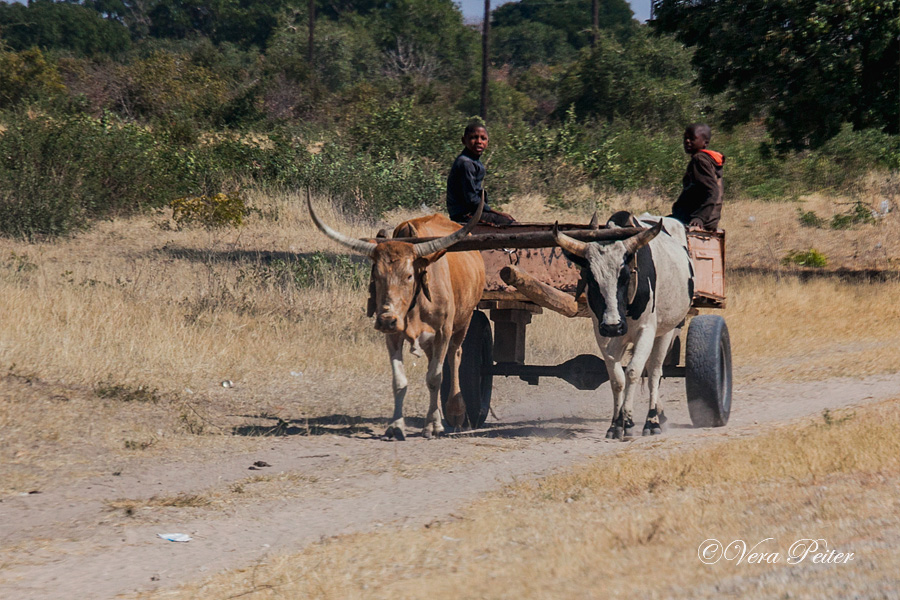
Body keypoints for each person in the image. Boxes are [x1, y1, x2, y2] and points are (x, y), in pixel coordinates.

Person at [446, 119, 516, 226]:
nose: (479, 141)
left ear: (488, 142)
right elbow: (471, 199)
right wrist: (496, 212)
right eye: (473, 137)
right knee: (509, 224)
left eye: (483, 138)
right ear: (464, 140)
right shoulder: (466, 163)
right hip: (465, 215)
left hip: (473, 211)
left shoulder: (474, 161)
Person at [670, 123, 725, 231]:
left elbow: (712, 190)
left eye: (692, 138)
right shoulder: (709, 160)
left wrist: (700, 217)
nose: (687, 141)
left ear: (705, 143)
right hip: (709, 219)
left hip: (695, 219)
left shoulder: (699, 159)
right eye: (685, 138)